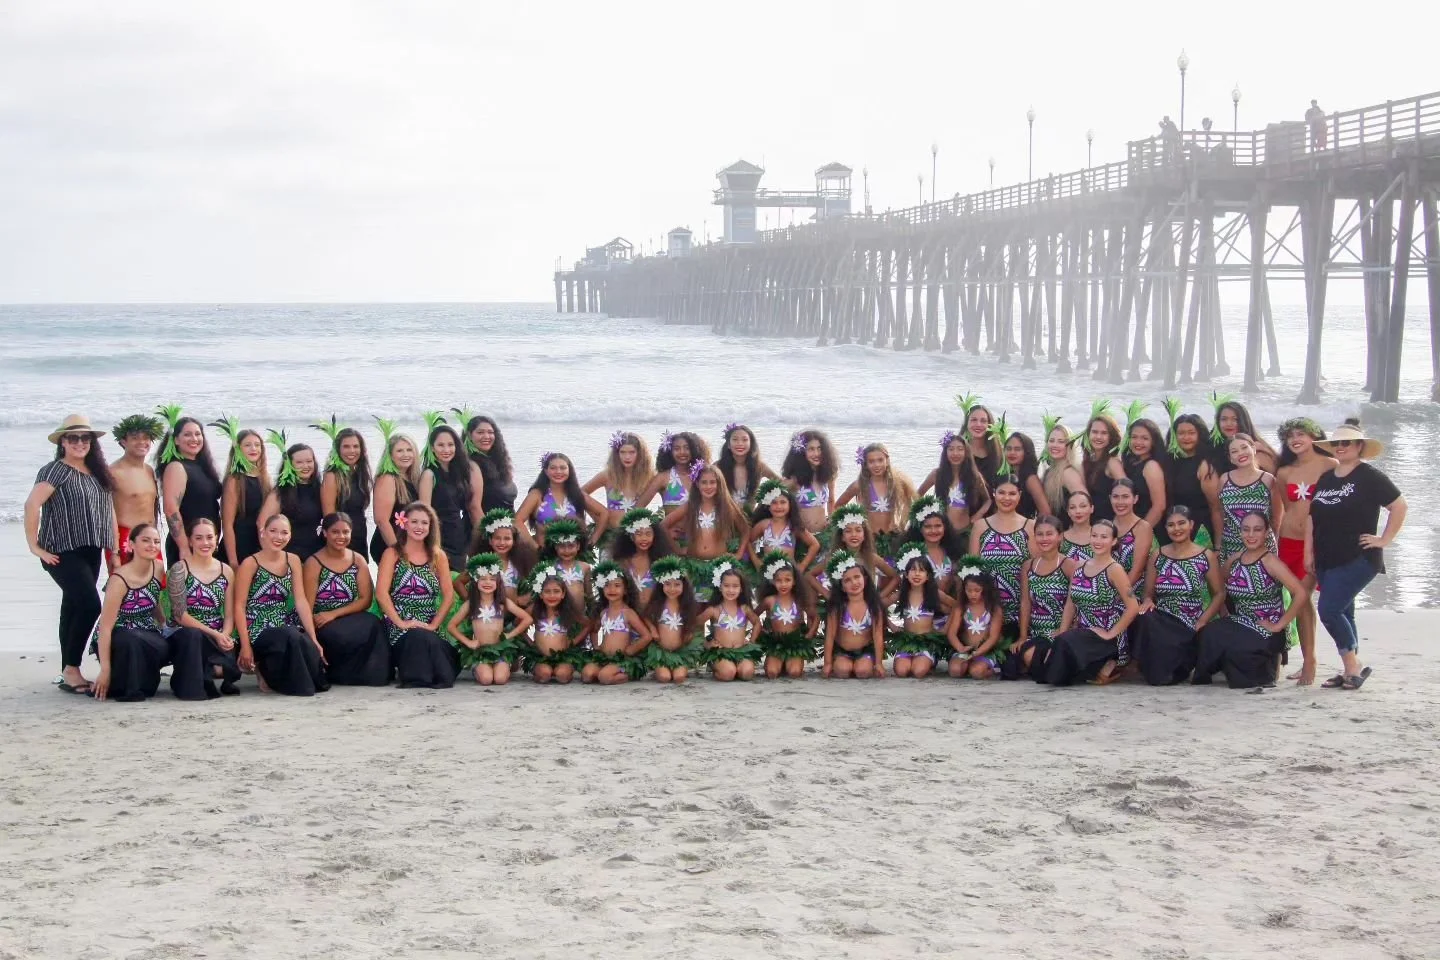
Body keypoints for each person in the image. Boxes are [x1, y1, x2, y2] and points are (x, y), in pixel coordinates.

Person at [1308, 419, 1406, 690]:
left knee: (1328, 609)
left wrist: (1384, 539)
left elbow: (1399, 506)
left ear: (1359, 446)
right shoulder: (1327, 478)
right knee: (1344, 611)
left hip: (1358, 557)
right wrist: (1309, 552)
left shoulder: (1369, 476)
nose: (1341, 447)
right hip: (1326, 557)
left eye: (1346, 443)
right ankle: (1350, 666)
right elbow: (1312, 518)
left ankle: (1353, 666)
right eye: (1336, 443)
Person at [25, 414, 116, 694]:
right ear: (63, 442)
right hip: (61, 551)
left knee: (72, 607)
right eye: (73, 438)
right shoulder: (55, 470)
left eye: (84, 438)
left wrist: (112, 550)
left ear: (92, 442)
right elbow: (32, 505)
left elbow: (108, 511)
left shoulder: (97, 472)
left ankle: (69, 671)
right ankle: (72, 668)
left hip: (91, 549)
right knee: (90, 605)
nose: (79, 442)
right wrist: (34, 547)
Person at [90, 523, 210, 701]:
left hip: (147, 630)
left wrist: (165, 625)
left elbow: (152, 600)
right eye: (145, 540)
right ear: (131, 545)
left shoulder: (159, 567)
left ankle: (188, 688)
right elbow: (105, 628)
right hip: (120, 635)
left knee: (189, 635)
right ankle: (127, 682)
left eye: (156, 541)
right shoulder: (119, 579)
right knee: (133, 639)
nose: (152, 546)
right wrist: (105, 670)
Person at [1193, 512, 1305, 689]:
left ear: (1266, 532)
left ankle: (1265, 670)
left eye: (1257, 529)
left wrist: (1279, 625)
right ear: (1240, 532)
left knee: (1237, 651)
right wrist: (1224, 613)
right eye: (1246, 530)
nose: (1251, 535)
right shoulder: (1234, 560)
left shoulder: (1271, 562)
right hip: (1241, 623)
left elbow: (1301, 594)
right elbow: (1220, 589)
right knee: (1208, 633)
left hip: (1266, 629)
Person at [235, 514, 329, 696]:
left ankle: (275, 672)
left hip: (283, 620)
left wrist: (313, 637)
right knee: (290, 635)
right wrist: (245, 646)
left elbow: (300, 600)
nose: (278, 537)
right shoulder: (250, 563)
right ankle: (264, 669)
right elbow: (239, 606)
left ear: (290, 536)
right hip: (256, 625)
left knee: (303, 642)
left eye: (284, 533)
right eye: (273, 531)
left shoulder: (292, 560)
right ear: (263, 532)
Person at [1273, 418, 1336, 685]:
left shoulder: (1329, 465)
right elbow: (1286, 509)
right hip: (1289, 541)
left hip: (1317, 542)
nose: (1295, 439)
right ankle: (1307, 658)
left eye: (1301, 434)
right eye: (1290, 436)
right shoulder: (1285, 472)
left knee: (1303, 597)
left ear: (1315, 436)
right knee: (1299, 600)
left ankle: (1310, 663)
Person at [1133, 506, 1225, 685]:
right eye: (1171, 525)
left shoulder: (1205, 556)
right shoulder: (1157, 555)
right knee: (1142, 616)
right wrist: (1148, 600)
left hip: (1188, 623)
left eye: (1181, 523)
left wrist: (1203, 620)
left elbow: (1219, 593)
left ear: (1191, 525)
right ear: (1166, 529)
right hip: (1162, 620)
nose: (1177, 529)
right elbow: (1148, 593)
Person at [1045, 520, 1139, 686]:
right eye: (1094, 536)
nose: (1098, 540)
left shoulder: (1114, 569)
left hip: (1105, 635)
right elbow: (1070, 603)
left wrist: (1111, 634)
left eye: (1104, 537)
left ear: (1114, 541)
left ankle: (1111, 660)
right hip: (1083, 632)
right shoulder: (1079, 566)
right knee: (1048, 660)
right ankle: (1096, 669)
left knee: (1060, 660)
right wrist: (1062, 631)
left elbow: (1133, 607)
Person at [376, 502, 460, 689]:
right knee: (416, 638)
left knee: (428, 639)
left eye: (424, 523)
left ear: (431, 527)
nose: (419, 527)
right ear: (404, 523)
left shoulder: (438, 556)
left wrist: (434, 624)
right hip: (400, 624)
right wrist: (401, 623)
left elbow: (448, 595)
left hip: (429, 622)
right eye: (414, 522)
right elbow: (381, 594)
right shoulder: (392, 553)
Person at [304, 513, 391, 686]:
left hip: (348, 615)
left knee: (374, 623)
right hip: (323, 621)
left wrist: (334, 613)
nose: (341, 537)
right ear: (325, 533)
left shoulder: (357, 560)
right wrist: (313, 631)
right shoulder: (314, 563)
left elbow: (365, 600)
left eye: (346, 532)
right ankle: (338, 673)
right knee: (341, 634)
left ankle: (374, 674)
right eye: (335, 532)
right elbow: (307, 604)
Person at [166, 518, 242, 696]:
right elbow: (179, 615)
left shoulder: (226, 571)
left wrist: (225, 635)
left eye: (209, 537)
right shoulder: (179, 569)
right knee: (194, 637)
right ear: (190, 541)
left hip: (216, 630)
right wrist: (214, 634)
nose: (205, 543)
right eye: (199, 538)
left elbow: (229, 615)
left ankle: (212, 668)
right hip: (186, 630)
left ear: (216, 539)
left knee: (226, 668)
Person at [447, 552, 533, 686]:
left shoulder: (503, 603)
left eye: (492, 579)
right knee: (486, 679)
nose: (488, 582)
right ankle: (479, 668)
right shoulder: (471, 604)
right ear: (475, 582)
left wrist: (509, 634)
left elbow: (527, 619)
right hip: (480, 651)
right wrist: (468, 642)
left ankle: (505, 665)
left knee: (500, 679)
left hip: (499, 649)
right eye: (483, 579)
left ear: (498, 582)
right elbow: (451, 626)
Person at [1010, 515, 1075, 681]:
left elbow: (1074, 602)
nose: (1044, 538)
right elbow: (1025, 602)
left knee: (1039, 661)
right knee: (1012, 664)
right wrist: (1023, 636)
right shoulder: (1028, 566)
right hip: (1037, 633)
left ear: (1059, 536)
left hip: (1061, 632)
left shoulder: (1069, 565)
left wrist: (1063, 630)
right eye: (1040, 534)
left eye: (1049, 534)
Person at [156, 409, 222, 566]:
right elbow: (171, 509)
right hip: (188, 545)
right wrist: (184, 547)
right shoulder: (176, 467)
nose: (194, 438)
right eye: (187, 434)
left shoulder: (204, 467)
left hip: (206, 543)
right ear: (176, 440)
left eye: (198, 434)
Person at [419, 423, 486, 570]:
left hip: (459, 538)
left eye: (450, 445)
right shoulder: (429, 474)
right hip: (439, 540)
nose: (446, 450)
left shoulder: (459, 472)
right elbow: (425, 514)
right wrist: (431, 545)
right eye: (441, 445)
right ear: (432, 448)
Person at [970, 477, 1033, 630]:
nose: (1006, 498)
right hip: (986, 607)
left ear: (1020, 495)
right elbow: (972, 570)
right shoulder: (980, 526)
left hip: (1020, 609)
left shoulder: (1030, 526)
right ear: (993, 494)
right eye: (1001, 493)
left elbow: (1034, 570)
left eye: (1012, 494)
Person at [834, 442, 915, 558]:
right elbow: (839, 505)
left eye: (880, 460)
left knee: (892, 569)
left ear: (887, 460)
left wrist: (902, 523)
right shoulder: (859, 485)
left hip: (893, 536)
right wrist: (851, 526)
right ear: (865, 464)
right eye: (871, 461)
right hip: (869, 538)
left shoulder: (898, 482)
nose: (876, 465)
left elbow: (910, 503)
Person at [1211, 433, 1283, 560]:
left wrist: (1273, 544)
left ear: (1253, 449)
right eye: (1234, 451)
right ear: (1230, 458)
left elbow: (1276, 519)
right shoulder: (1224, 480)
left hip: (1262, 548)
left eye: (1244, 448)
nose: (1241, 453)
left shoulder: (1268, 480)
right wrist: (1218, 545)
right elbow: (1219, 513)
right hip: (1231, 547)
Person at [888, 543, 954, 678]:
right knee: (901, 671)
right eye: (913, 570)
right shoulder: (902, 593)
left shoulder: (935, 593)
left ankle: (929, 661)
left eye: (922, 570)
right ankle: (914, 660)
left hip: (927, 641)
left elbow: (957, 607)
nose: (917, 574)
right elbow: (877, 606)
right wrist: (892, 626)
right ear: (906, 574)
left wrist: (945, 629)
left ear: (928, 576)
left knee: (918, 672)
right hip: (907, 640)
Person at [582, 561, 652, 685]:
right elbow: (594, 630)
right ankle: (607, 671)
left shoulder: (628, 613)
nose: (612, 589)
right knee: (587, 675)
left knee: (604, 677)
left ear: (625, 590)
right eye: (607, 585)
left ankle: (627, 673)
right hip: (604, 657)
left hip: (622, 659)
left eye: (617, 585)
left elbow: (646, 636)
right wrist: (596, 647)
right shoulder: (603, 612)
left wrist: (632, 649)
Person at [107, 413, 163, 569]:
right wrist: (114, 551)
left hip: (151, 538)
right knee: (126, 590)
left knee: (156, 589)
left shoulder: (149, 470)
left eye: (146, 438)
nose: (142, 442)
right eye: (135, 438)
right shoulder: (113, 472)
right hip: (125, 539)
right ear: (123, 441)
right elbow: (106, 513)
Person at [515, 452, 602, 548]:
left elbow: (603, 513)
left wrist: (592, 540)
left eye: (563, 468)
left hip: (572, 557)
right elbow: (517, 521)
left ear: (569, 470)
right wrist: (534, 546)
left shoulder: (577, 494)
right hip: (544, 556)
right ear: (546, 471)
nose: (558, 472)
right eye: (553, 468)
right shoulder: (537, 495)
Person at [755, 551, 820, 678]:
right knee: (772, 673)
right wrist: (761, 631)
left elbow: (815, 617)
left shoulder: (799, 600)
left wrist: (810, 634)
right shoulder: (770, 601)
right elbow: (753, 616)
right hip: (776, 644)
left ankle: (789, 662)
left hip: (794, 645)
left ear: (794, 581)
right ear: (773, 582)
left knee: (795, 673)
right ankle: (778, 662)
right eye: (779, 580)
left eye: (787, 580)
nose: (783, 584)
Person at [822, 551, 886, 678]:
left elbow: (878, 636)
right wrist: (827, 663)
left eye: (857, 577)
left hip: (864, 651)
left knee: (863, 672)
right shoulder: (837, 608)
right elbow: (830, 636)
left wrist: (879, 663)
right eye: (847, 580)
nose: (854, 583)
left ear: (865, 579)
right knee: (842, 671)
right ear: (842, 587)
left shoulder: (873, 606)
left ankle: (868, 663)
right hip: (842, 651)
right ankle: (839, 663)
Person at [215, 420, 270, 569]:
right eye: (247, 445)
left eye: (257, 445)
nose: (254, 449)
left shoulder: (264, 478)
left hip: (259, 546)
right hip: (238, 547)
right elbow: (227, 524)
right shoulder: (234, 480)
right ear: (238, 449)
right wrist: (233, 560)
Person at [317, 419, 373, 563]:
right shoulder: (332, 476)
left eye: (356, 446)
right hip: (340, 539)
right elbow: (329, 517)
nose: (352, 451)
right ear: (338, 450)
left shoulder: (360, 474)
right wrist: (339, 541)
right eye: (346, 447)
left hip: (360, 535)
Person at [583, 431, 654, 541]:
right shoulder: (607, 476)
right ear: (617, 454)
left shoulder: (649, 477)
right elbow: (579, 494)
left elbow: (667, 491)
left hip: (637, 537)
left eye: (632, 452)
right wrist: (599, 516)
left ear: (640, 454)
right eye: (622, 452)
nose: (627, 457)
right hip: (610, 535)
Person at [259, 439, 323, 561]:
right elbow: (262, 524)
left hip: (316, 555)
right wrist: (269, 557)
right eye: (299, 462)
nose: (306, 466)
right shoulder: (281, 492)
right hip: (288, 556)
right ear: (289, 464)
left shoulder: (320, 489)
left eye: (309, 461)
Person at [642, 557, 703, 684]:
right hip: (661, 651)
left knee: (679, 678)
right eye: (667, 584)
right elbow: (645, 617)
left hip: (681, 651)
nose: (672, 588)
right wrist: (653, 630)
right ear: (661, 585)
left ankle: (680, 667)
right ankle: (659, 669)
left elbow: (693, 622)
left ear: (683, 586)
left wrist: (689, 632)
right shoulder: (658, 603)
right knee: (664, 678)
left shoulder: (687, 606)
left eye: (677, 584)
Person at [1162, 410, 1218, 546]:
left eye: (1191, 433)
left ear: (1200, 434)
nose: (1186, 437)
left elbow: (1216, 507)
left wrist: (1218, 543)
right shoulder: (1168, 461)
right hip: (1173, 528)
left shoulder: (1205, 465)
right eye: (1181, 433)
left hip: (1200, 530)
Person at [918, 430, 990, 534]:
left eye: (960, 449)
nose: (955, 453)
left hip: (966, 530)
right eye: (951, 449)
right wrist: (926, 514)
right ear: (945, 452)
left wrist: (978, 515)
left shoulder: (974, 476)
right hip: (941, 532)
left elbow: (988, 500)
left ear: (966, 452)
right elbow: (918, 494)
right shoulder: (937, 474)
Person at [523, 566, 586, 684]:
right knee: (544, 675)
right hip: (541, 656)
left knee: (562, 676)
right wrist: (530, 643)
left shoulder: (568, 611)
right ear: (540, 594)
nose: (552, 596)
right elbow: (519, 625)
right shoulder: (534, 610)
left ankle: (565, 671)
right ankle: (540, 671)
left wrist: (573, 642)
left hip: (563, 656)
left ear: (563, 594)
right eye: (547, 591)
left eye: (556, 591)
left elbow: (588, 625)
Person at [370, 421, 422, 562]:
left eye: (409, 450)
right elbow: (381, 521)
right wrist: (399, 553)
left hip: (406, 543)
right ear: (390, 455)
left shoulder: (412, 478)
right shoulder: (387, 478)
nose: (405, 454)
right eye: (399, 451)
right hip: (389, 544)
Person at [746, 479, 820, 573]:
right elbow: (748, 541)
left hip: (789, 573)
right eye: (774, 503)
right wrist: (756, 560)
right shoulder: (764, 525)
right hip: (768, 572)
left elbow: (814, 544)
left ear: (790, 504)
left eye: (783, 502)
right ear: (768, 505)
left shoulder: (794, 526)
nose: (779, 506)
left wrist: (802, 565)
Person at [947, 565, 1005, 680]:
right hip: (965, 649)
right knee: (955, 671)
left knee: (977, 672)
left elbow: (993, 637)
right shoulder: (961, 608)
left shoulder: (994, 609)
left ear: (985, 589)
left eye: (977, 590)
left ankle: (990, 670)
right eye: (969, 590)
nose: (972, 594)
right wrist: (961, 648)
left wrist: (978, 652)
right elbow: (951, 633)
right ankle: (967, 665)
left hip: (985, 651)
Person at [612, 507, 676, 610]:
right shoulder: (623, 562)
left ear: (655, 536)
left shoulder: (662, 561)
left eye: (648, 533)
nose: (644, 538)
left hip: (654, 615)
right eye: (639, 534)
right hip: (630, 615)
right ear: (632, 537)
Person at [639, 431, 711, 517]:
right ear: (670, 452)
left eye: (687, 448)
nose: (682, 452)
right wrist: (656, 527)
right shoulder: (663, 478)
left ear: (694, 450)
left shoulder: (702, 475)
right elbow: (638, 507)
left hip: (702, 529)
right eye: (677, 449)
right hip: (671, 529)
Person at [781, 430, 839, 534]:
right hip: (802, 536)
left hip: (824, 534)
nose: (816, 454)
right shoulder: (795, 480)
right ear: (802, 453)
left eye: (819, 448)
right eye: (811, 449)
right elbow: (772, 495)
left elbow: (831, 501)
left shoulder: (828, 476)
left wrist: (831, 519)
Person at [1121, 413, 1168, 529]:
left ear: (1153, 442)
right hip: (1132, 525)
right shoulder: (1131, 462)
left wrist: (1141, 531)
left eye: (1145, 438)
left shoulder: (1151, 466)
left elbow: (1159, 506)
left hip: (1150, 526)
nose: (1138, 442)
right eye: (1134, 437)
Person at [1080, 403, 1125, 523]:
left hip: (1109, 527)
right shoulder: (1088, 461)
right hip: (1092, 526)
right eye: (1095, 432)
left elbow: (1126, 495)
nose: (1098, 437)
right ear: (1088, 434)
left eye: (1104, 433)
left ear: (1111, 436)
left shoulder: (1112, 462)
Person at [464, 415, 518, 513]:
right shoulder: (471, 465)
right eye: (480, 432)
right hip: (486, 525)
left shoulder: (500, 462)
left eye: (490, 432)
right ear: (469, 435)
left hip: (508, 525)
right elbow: (474, 507)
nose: (486, 436)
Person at [715, 423, 777, 509]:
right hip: (725, 518)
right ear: (728, 444)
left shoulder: (759, 466)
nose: (740, 443)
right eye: (735, 439)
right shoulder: (718, 466)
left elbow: (781, 483)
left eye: (745, 440)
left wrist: (765, 502)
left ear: (751, 444)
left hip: (750, 519)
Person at [1039, 418, 1084, 517]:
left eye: (1061, 442)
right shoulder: (1049, 471)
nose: (1054, 445)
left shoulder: (1069, 473)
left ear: (1069, 445)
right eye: (1051, 441)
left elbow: (1084, 505)